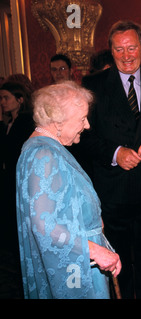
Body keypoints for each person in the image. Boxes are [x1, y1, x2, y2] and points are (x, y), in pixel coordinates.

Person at [79, 20, 141, 299]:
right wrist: (115, 153)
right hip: (112, 194)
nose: (126, 55)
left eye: (132, 47)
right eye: (119, 49)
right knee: (116, 263)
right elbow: (82, 137)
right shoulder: (92, 86)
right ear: (111, 51)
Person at [16, 81, 121, 299]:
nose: (88, 125)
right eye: (82, 119)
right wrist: (95, 250)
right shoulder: (43, 155)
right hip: (75, 267)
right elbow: (44, 225)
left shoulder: (48, 148)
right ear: (58, 122)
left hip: (80, 257)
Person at [0, 81, 35, 276]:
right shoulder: (11, 122)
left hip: (19, 182)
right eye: (1, 98)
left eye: (6, 98)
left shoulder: (24, 122)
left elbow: (8, 151)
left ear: (20, 100)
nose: (2, 102)